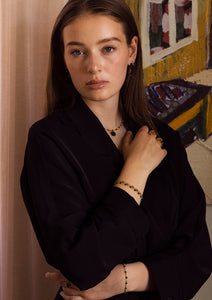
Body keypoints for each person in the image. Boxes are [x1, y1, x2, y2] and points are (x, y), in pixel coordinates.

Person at [20, 0, 212, 299]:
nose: (93, 66)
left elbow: (198, 257)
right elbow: (82, 264)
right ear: (64, 59)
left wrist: (122, 279)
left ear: (131, 51)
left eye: (108, 48)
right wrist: (135, 170)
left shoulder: (166, 140)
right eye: (77, 51)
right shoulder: (48, 141)